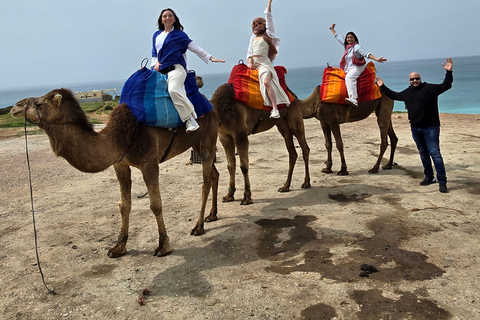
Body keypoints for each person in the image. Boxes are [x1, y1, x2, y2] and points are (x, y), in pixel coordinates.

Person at [376, 58, 453, 193]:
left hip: (431, 128)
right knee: (423, 154)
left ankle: (442, 181)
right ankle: (429, 177)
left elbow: (446, 86)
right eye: (412, 79)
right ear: (409, 81)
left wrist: (449, 73)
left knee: (435, 153)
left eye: (416, 79)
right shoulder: (408, 92)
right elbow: (394, 95)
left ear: (420, 79)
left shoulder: (429, 88)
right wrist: (382, 86)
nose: (414, 81)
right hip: (416, 128)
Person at [150, 8, 225, 132]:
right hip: (160, 71)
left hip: (176, 70)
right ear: (161, 19)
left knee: (173, 90)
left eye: (170, 16)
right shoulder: (156, 35)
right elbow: (154, 54)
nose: (167, 18)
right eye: (165, 16)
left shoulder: (179, 35)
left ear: (174, 19)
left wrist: (210, 57)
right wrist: (154, 65)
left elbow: (193, 47)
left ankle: (189, 119)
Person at [246, 0, 291, 119]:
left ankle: (275, 109)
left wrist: (269, 4)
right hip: (254, 63)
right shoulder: (253, 36)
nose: (258, 26)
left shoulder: (268, 34)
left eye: (259, 23)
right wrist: (250, 61)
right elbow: (249, 51)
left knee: (266, 82)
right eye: (255, 24)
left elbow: (269, 18)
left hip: (264, 63)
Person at [329, 24, 387, 107]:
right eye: (348, 37)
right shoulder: (347, 47)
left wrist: (377, 59)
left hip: (358, 67)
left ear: (355, 39)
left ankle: (353, 99)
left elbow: (366, 54)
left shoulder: (357, 47)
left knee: (349, 78)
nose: (349, 39)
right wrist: (332, 30)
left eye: (351, 37)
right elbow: (339, 38)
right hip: (348, 68)